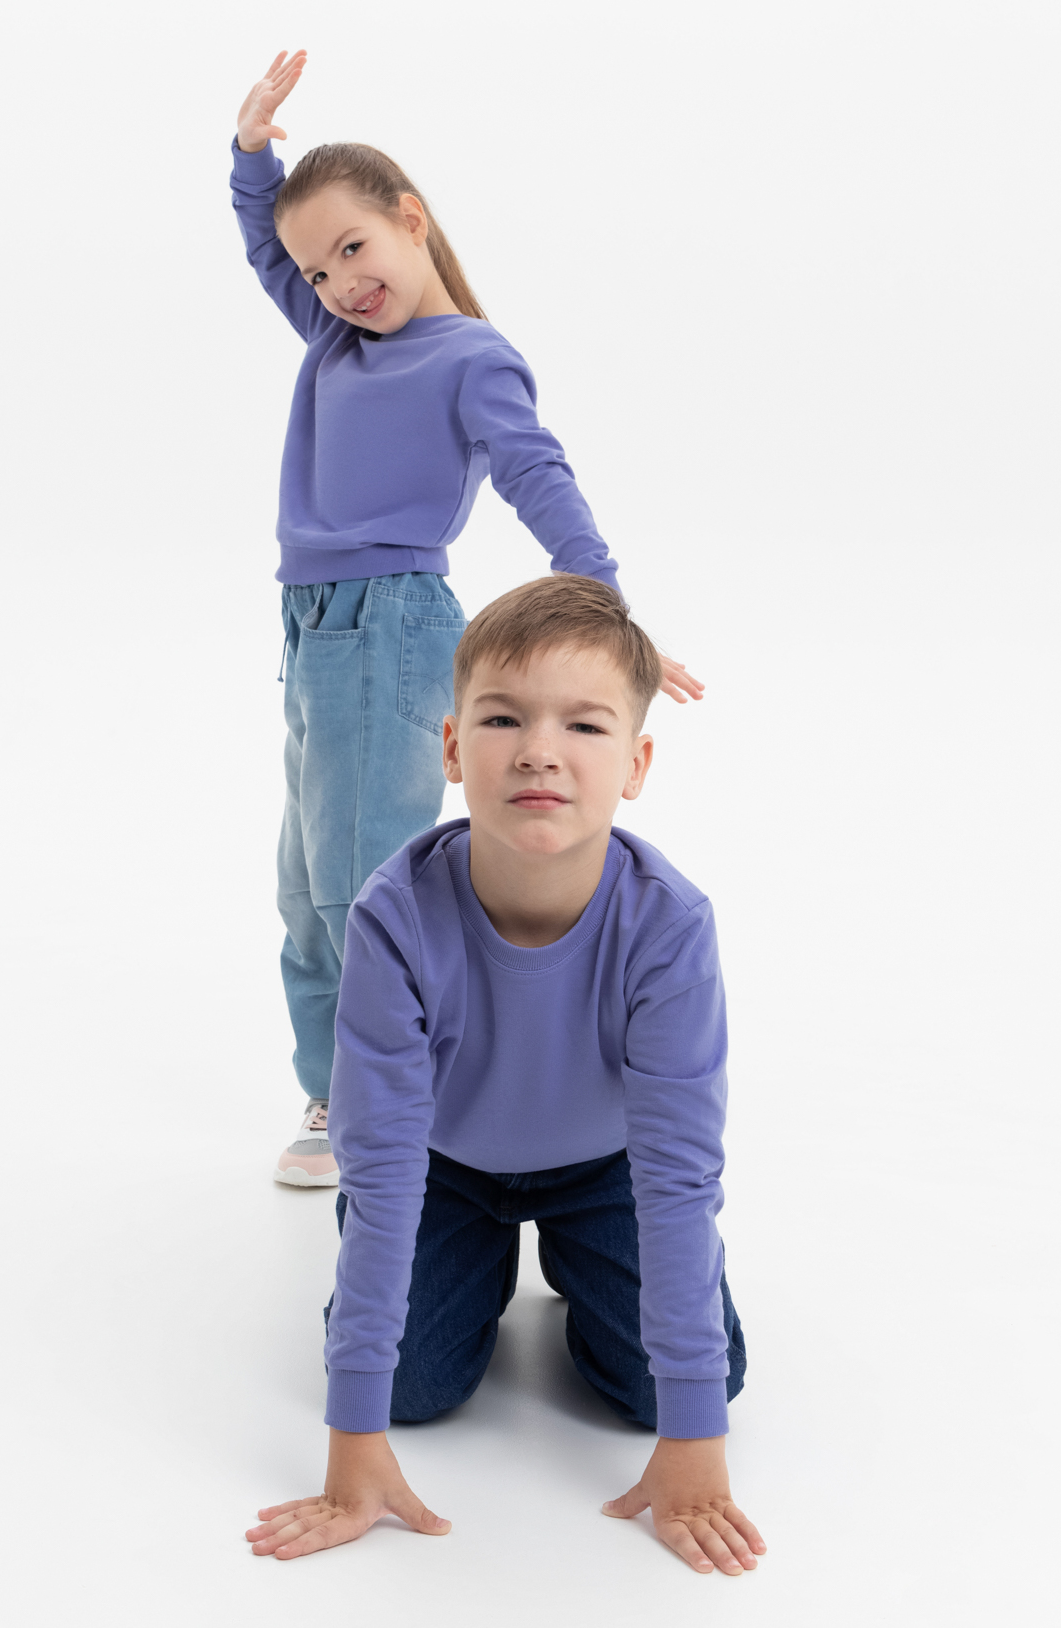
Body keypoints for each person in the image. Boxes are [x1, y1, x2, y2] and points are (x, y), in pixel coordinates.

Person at [230, 52, 704, 1186]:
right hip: (312, 631)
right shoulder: (338, 343)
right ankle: (340, 1084)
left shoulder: (471, 358)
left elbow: (538, 475)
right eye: (318, 269)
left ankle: (389, 1099)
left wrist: (608, 610)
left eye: (355, 248)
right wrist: (250, 156)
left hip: (388, 626)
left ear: (413, 220)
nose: (339, 283)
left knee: (359, 882)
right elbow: (265, 245)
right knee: (305, 889)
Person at [245, 576, 765, 1575]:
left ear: (636, 763)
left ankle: (575, 1254)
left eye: (584, 724)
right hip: (443, 1168)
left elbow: (677, 1175)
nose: (539, 749)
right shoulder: (394, 917)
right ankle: (479, 1260)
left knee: (669, 1389)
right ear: (450, 748)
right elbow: (381, 1166)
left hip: (606, 1168)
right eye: (502, 717)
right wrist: (352, 1445)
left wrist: (696, 1441)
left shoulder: (668, 924)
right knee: (409, 1388)